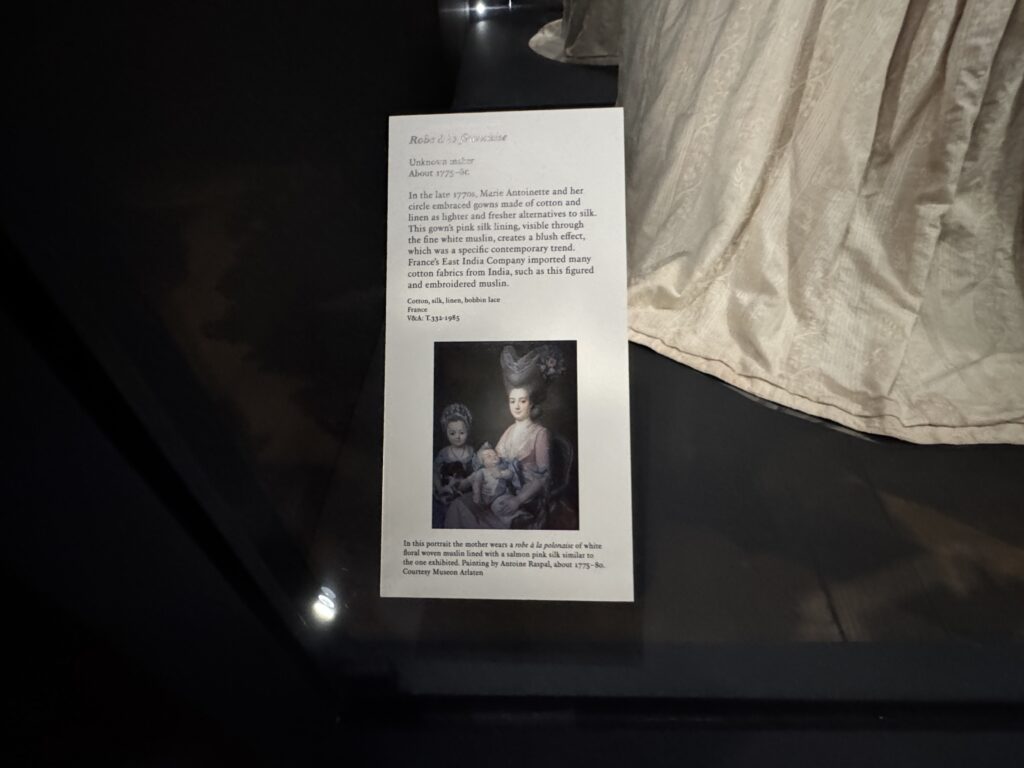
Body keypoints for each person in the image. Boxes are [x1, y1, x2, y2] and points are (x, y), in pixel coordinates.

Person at [445, 344, 564, 529]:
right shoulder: (509, 431)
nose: (516, 406)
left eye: (522, 401)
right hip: (500, 492)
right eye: (512, 401)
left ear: (531, 404)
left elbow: (544, 478)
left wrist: (518, 500)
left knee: (499, 519)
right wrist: (466, 482)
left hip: (525, 498)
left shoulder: (540, 433)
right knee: (458, 505)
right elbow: (493, 462)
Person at [432, 403, 475, 528]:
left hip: (466, 494)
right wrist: (440, 488)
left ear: (467, 431)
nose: (457, 437)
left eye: (461, 432)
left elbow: (478, 472)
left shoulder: (471, 452)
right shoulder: (444, 453)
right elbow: (435, 472)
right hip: (447, 494)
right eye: (452, 433)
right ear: (446, 432)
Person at [462, 444, 515, 509]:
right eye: (489, 456)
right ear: (483, 462)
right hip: (485, 497)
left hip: (500, 496)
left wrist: (501, 474)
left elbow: (510, 474)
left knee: (503, 505)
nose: (494, 457)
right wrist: (477, 495)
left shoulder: (501, 468)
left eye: (495, 455)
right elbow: (477, 484)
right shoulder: (482, 471)